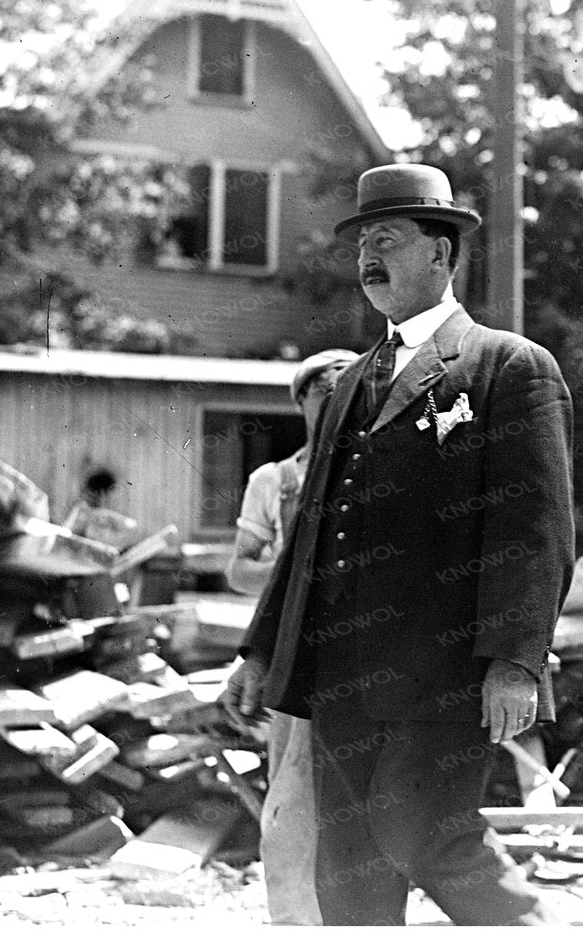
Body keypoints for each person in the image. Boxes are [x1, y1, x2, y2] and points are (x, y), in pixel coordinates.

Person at [221, 163, 577, 926]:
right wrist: (260, 652)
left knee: (428, 834)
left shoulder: (509, 367)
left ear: (441, 254)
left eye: (386, 239)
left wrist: (515, 661)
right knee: (349, 864)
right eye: (360, 244)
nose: (367, 258)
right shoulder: (350, 382)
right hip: (341, 675)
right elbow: (309, 534)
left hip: (444, 671)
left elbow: (534, 533)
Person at [226, 347, 358, 926]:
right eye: (324, 391)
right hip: (296, 654)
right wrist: (298, 573)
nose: (337, 401)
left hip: (366, 655)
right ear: (301, 400)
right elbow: (239, 569)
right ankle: (295, 925)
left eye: (349, 389)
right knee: (293, 793)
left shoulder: (380, 470)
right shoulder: (277, 481)